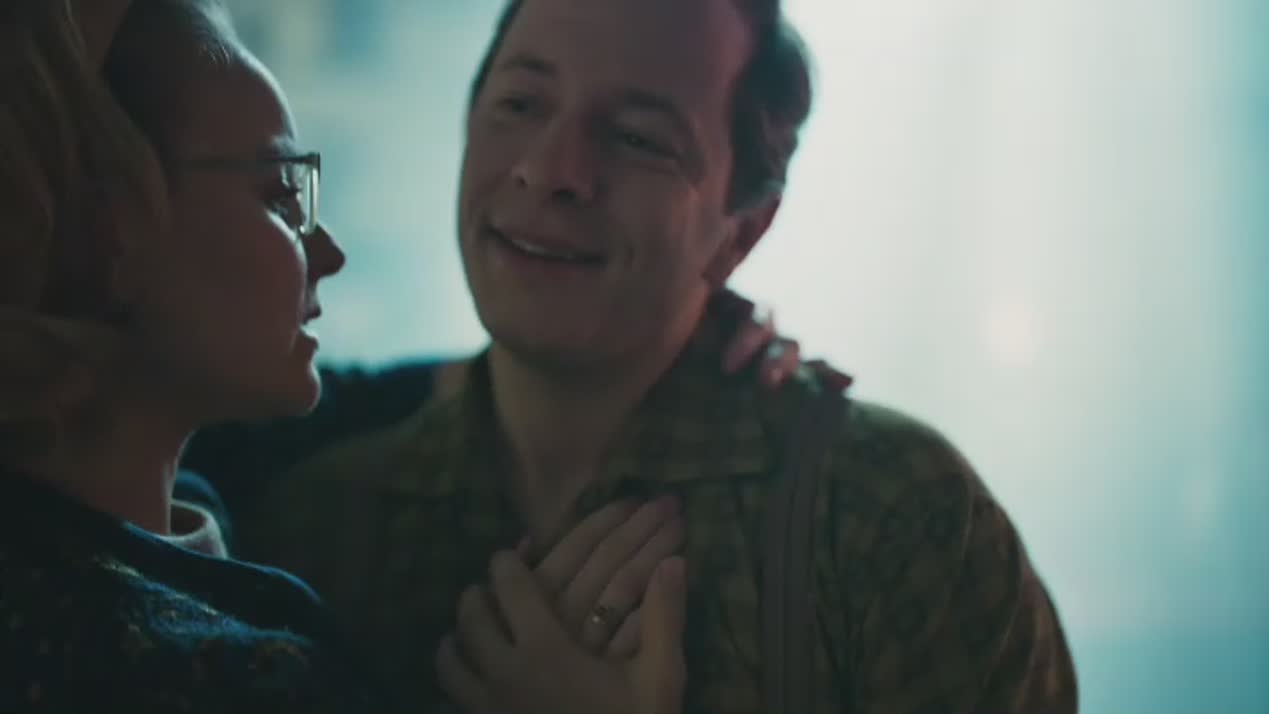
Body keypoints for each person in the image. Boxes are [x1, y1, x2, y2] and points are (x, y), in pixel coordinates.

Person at [224, 1, 1079, 713]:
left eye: (638, 137)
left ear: (742, 230)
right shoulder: (312, 533)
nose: (552, 170)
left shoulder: (889, 523)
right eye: (521, 103)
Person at [1, 1, 691, 712]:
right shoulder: (212, 679)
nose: (328, 252)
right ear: (110, 229)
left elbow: (348, 401)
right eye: (280, 196)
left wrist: (684, 319)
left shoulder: (171, 482)